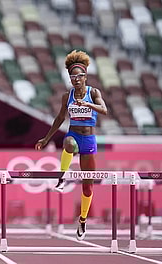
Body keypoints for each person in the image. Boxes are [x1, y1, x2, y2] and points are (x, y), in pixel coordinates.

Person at [34, 50, 107, 241]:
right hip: (74, 134)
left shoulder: (94, 92)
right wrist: (46, 138)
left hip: (89, 140)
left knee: (87, 186)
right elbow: (59, 118)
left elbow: (104, 110)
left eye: (79, 76)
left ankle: (82, 220)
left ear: (85, 76)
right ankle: (62, 176)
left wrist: (88, 105)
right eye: (72, 76)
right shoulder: (68, 96)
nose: (76, 79)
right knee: (68, 143)